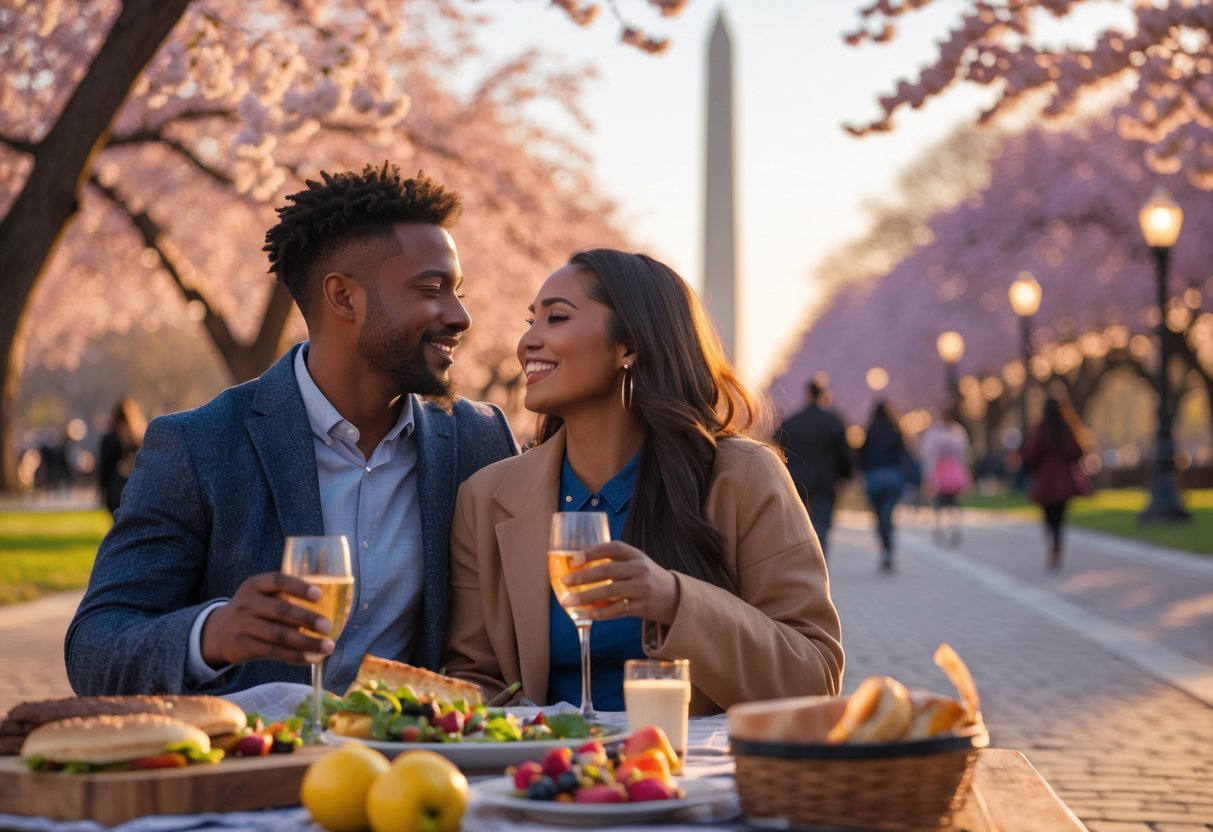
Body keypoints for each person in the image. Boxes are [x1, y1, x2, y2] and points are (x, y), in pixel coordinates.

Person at [66, 164, 519, 697]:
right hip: (258, 768)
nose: (461, 315)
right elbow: (95, 645)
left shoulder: (480, 440)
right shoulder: (200, 445)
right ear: (344, 297)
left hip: (418, 769)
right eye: (431, 289)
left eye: (457, 290)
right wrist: (212, 633)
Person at [442, 249, 843, 715]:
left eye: (555, 318)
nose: (527, 342)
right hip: (548, 777)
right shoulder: (484, 500)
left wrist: (674, 601)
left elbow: (815, 677)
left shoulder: (745, 476)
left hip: (695, 776)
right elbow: (475, 678)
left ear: (628, 345)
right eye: (530, 321)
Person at [774, 374, 852, 558]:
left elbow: (775, 449)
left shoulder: (792, 423)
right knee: (822, 524)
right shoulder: (833, 421)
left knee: (800, 523)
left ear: (807, 394)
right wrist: (845, 476)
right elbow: (843, 453)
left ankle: (804, 559)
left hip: (797, 480)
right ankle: (819, 558)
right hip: (826, 481)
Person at [1023, 396, 1091, 571]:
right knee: (1060, 519)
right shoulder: (1066, 429)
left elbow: (1030, 456)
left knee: (1048, 519)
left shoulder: (1041, 430)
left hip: (1045, 483)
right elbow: (1078, 451)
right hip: (1063, 483)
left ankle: (1052, 548)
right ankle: (1057, 547)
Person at [859, 400, 909, 572]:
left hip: (874, 478)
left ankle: (884, 546)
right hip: (893, 477)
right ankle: (889, 548)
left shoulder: (870, 432)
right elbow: (904, 456)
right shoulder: (896, 431)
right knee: (888, 514)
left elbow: (861, 457)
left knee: (879, 517)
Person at [918, 409, 971, 547]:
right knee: (948, 503)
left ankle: (945, 526)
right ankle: (947, 526)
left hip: (946, 474)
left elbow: (927, 454)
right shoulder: (954, 432)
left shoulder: (950, 432)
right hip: (948, 473)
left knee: (944, 503)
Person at [97, 397, 147, 516]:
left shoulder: (110, 438)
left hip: (114, 486)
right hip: (135, 485)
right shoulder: (140, 437)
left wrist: (101, 487)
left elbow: (104, 465)